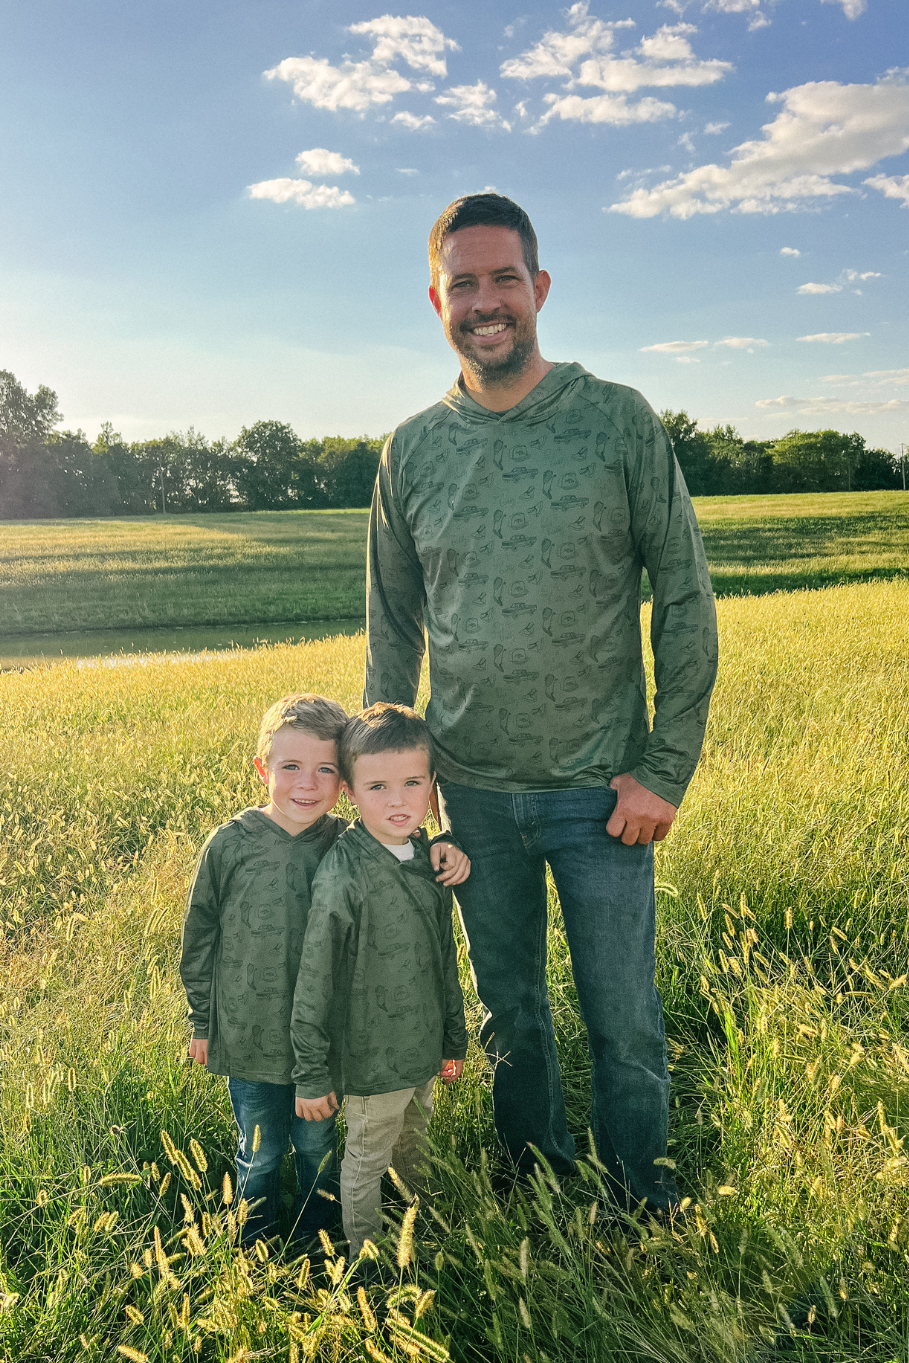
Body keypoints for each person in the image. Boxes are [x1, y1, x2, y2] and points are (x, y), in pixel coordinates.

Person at [363, 193, 718, 1214]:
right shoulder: (412, 451)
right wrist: (389, 784)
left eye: (504, 279)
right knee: (509, 1017)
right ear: (437, 299)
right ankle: (536, 1194)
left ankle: (639, 1201)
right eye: (463, 284)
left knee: (624, 1018)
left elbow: (684, 597)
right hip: (471, 796)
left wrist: (663, 769)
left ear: (540, 288)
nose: (485, 302)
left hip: (602, 791)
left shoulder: (617, 421)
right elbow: (393, 626)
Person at [179, 692, 467, 1245]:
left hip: (329, 1040)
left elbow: (399, 838)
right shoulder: (231, 844)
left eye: (325, 770)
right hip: (250, 1033)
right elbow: (200, 937)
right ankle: (254, 1244)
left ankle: (318, 1240)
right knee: (260, 1151)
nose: (307, 784)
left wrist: (444, 842)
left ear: (344, 783)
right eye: (290, 767)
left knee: (318, 1149)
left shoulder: (346, 843)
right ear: (262, 769)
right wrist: (200, 1019)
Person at [291, 703, 470, 1257]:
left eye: (413, 783)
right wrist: (310, 1072)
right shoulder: (342, 874)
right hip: (372, 1059)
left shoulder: (428, 857)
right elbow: (315, 978)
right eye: (377, 787)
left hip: (423, 1050)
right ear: (349, 792)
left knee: (415, 1146)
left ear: (433, 785)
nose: (398, 801)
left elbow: (443, 957)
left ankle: (422, 1231)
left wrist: (453, 1039)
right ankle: (363, 1262)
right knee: (367, 1159)